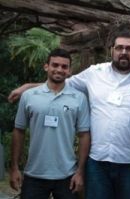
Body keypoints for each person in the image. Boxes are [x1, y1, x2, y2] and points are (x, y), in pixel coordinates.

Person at [8, 33, 130, 199]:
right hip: (97, 162)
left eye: (129, 48)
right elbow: (61, 83)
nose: (124, 52)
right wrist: (27, 87)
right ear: (112, 50)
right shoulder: (94, 73)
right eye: (119, 47)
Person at [9, 48, 91, 199]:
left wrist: (80, 172)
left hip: (67, 174)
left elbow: (84, 135)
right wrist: (14, 167)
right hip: (34, 173)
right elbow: (18, 131)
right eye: (55, 65)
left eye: (64, 66)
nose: (59, 69)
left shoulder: (79, 98)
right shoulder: (29, 96)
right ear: (46, 66)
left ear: (69, 71)